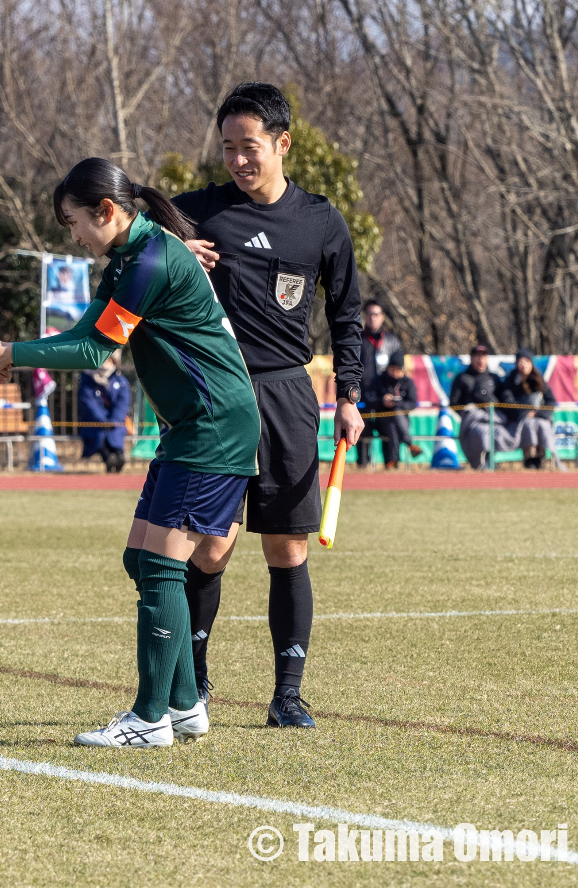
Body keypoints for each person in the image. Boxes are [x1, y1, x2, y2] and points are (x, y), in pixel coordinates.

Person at [0, 157, 260, 749]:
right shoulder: (126, 259)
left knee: (162, 566)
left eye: (73, 222)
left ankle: (150, 719)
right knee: (141, 560)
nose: (72, 236)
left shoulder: (150, 260)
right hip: (190, 427)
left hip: (214, 426)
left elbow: (95, 354)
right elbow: (83, 336)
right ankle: (185, 703)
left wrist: (10, 354)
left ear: (107, 211)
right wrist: (9, 351)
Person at [172, 82, 364, 729]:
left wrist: (350, 395)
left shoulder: (321, 221)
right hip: (218, 395)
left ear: (282, 144)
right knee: (211, 547)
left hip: (288, 395)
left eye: (248, 147)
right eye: (227, 147)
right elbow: (127, 239)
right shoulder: (198, 212)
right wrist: (171, 249)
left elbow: (347, 314)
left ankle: (287, 695)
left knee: (287, 550)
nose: (236, 160)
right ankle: (193, 685)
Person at [450, 345, 514, 470]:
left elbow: (503, 400)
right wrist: (469, 411)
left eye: (483, 356)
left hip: (493, 419)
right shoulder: (462, 378)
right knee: (482, 431)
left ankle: (491, 460)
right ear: (471, 358)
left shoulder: (494, 378)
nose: (480, 360)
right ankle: (482, 462)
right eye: (477, 356)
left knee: (499, 432)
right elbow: (454, 403)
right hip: (471, 421)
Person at [362, 350, 421, 468]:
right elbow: (369, 400)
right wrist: (382, 401)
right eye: (392, 369)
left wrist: (397, 404)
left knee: (394, 418)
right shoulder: (378, 380)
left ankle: (392, 460)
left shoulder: (408, 382)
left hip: (401, 420)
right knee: (392, 421)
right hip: (381, 420)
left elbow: (412, 403)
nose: (395, 372)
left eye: (398, 370)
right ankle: (408, 444)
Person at [500, 349, 557, 469]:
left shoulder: (538, 379)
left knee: (542, 425)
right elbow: (507, 400)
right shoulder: (511, 380)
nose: (524, 365)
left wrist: (538, 413)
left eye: (526, 361)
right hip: (520, 418)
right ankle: (530, 458)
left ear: (531, 363)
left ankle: (540, 458)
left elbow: (550, 400)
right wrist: (524, 413)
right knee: (528, 425)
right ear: (516, 364)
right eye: (521, 362)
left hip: (539, 415)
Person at [77, 349, 130, 473]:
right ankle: (108, 457)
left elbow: (123, 403)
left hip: (115, 422)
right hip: (94, 421)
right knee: (99, 433)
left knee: (116, 432)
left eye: (108, 360)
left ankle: (118, 456)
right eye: (103, 360)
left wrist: (114, 421)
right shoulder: (87, 380)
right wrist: (103, 421)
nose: (105, 364)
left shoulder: (121, 381)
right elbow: (88, 403)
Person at [360, 300, 401, 385]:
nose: (372, 318)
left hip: (386, 389)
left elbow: (399, 368)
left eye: (376, 314)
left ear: (382, 316)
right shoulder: (358, 340)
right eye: (369, 314)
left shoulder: (392, 341)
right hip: (364, 388)